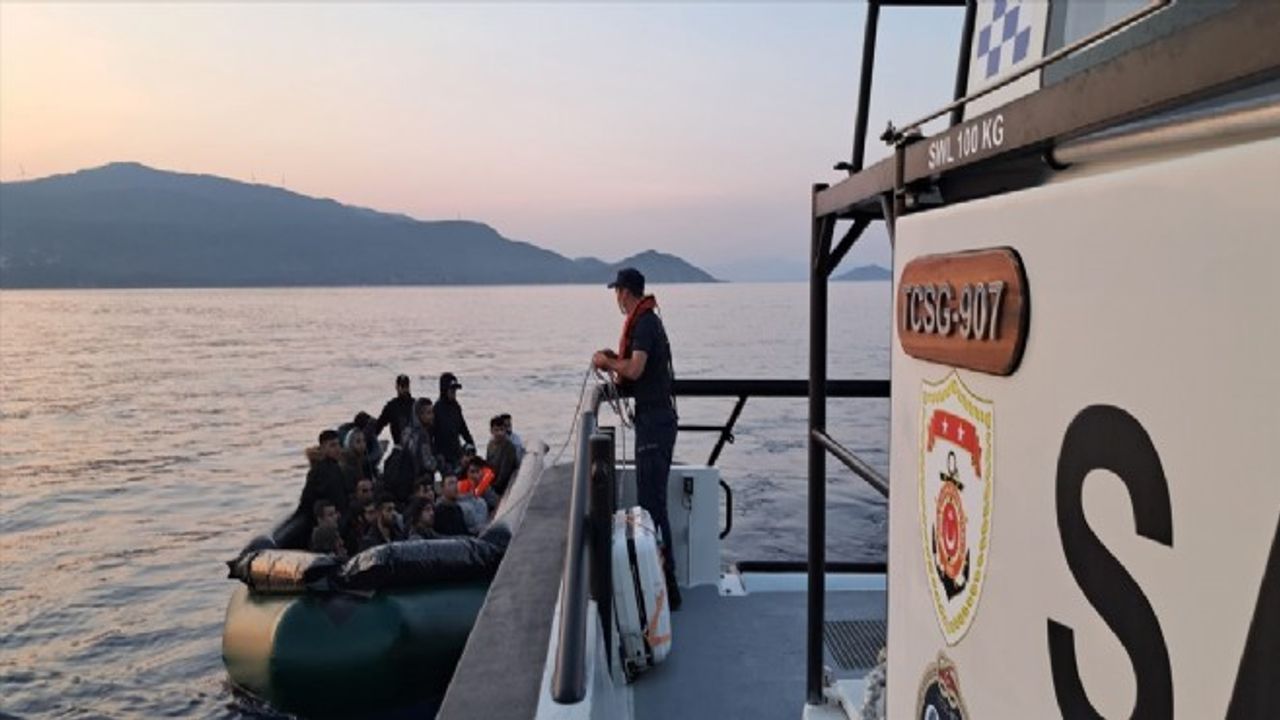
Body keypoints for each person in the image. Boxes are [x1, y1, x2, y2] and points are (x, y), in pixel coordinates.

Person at [592, 267, 682, 610]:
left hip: (655, 424)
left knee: (652, 506)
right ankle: (660, 582)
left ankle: (667, 586)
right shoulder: (647, 322)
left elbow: (635, 369)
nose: (616, 298)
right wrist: (614, 361)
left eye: (617, 291)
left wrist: (608, 362)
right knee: (651, 503)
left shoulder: (644, 324)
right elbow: (632, 369)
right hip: (654, 420)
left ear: (625, 292)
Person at [296, 429, 349, 523]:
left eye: (338, 444)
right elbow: (307, 498)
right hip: (331, 517)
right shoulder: (319, 471)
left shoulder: (336, 466)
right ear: (323, 448)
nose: (337, 449)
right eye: (332, 445)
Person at [432, 372, 474, 473]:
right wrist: (436, 455)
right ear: (444, 390)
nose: (454, 392)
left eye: (455, 390)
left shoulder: (456, 407)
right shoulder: (437, 409)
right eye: (451, 390)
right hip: (443, 457)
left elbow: (463, 429)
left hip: (457, 453)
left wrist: (471, 444)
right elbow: (430, 435)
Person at [402, 397, 441, 486]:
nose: (432, 416)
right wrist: (438, 463)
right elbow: (427, 462)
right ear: (420, 415)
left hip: (407, 477)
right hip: (420, 479)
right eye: (429, 413)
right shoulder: (422, 435)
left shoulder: (407, 431)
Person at [376, 374, 415, 448]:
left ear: (409, 387)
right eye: (402, 386)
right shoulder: (391, 406)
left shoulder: (416, 405)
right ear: (396, 387)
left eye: (406, 386)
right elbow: (379, 425)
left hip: (415, 446)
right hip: (398, 446)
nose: (404, 389)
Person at [486, 415, 519, 496]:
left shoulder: (509, 447)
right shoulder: (490, 445)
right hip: (493, 481)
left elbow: (504, 474)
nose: (499, 433)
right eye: (496, 430)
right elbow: (488, 466)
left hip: (504, 485)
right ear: (491, 431)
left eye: (502, 430)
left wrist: (493, 487)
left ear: (505, 430)